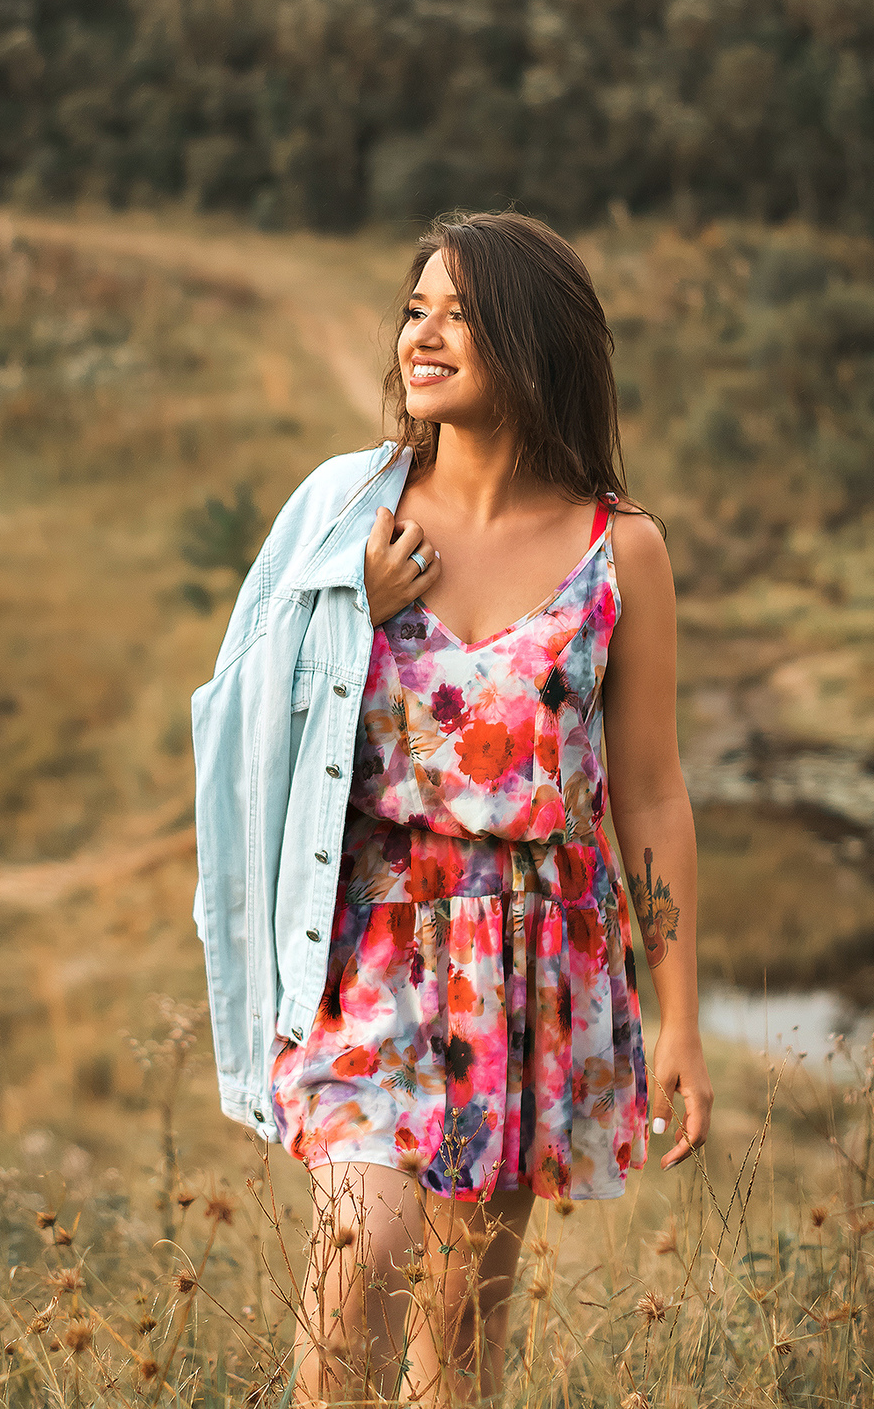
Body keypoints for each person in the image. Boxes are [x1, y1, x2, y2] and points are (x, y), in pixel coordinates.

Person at [191, 211, 712, 1401]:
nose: (421, 336)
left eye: (458, 314)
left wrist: (678, 1016)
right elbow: (232, 707)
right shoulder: (346, 513)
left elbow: (651, 788)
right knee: (358, 1254)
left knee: (461, 1326)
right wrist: (346, 605)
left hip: (534, 959)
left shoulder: (620, 550)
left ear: (532, 343)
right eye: (414, 308)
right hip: (367, 939)